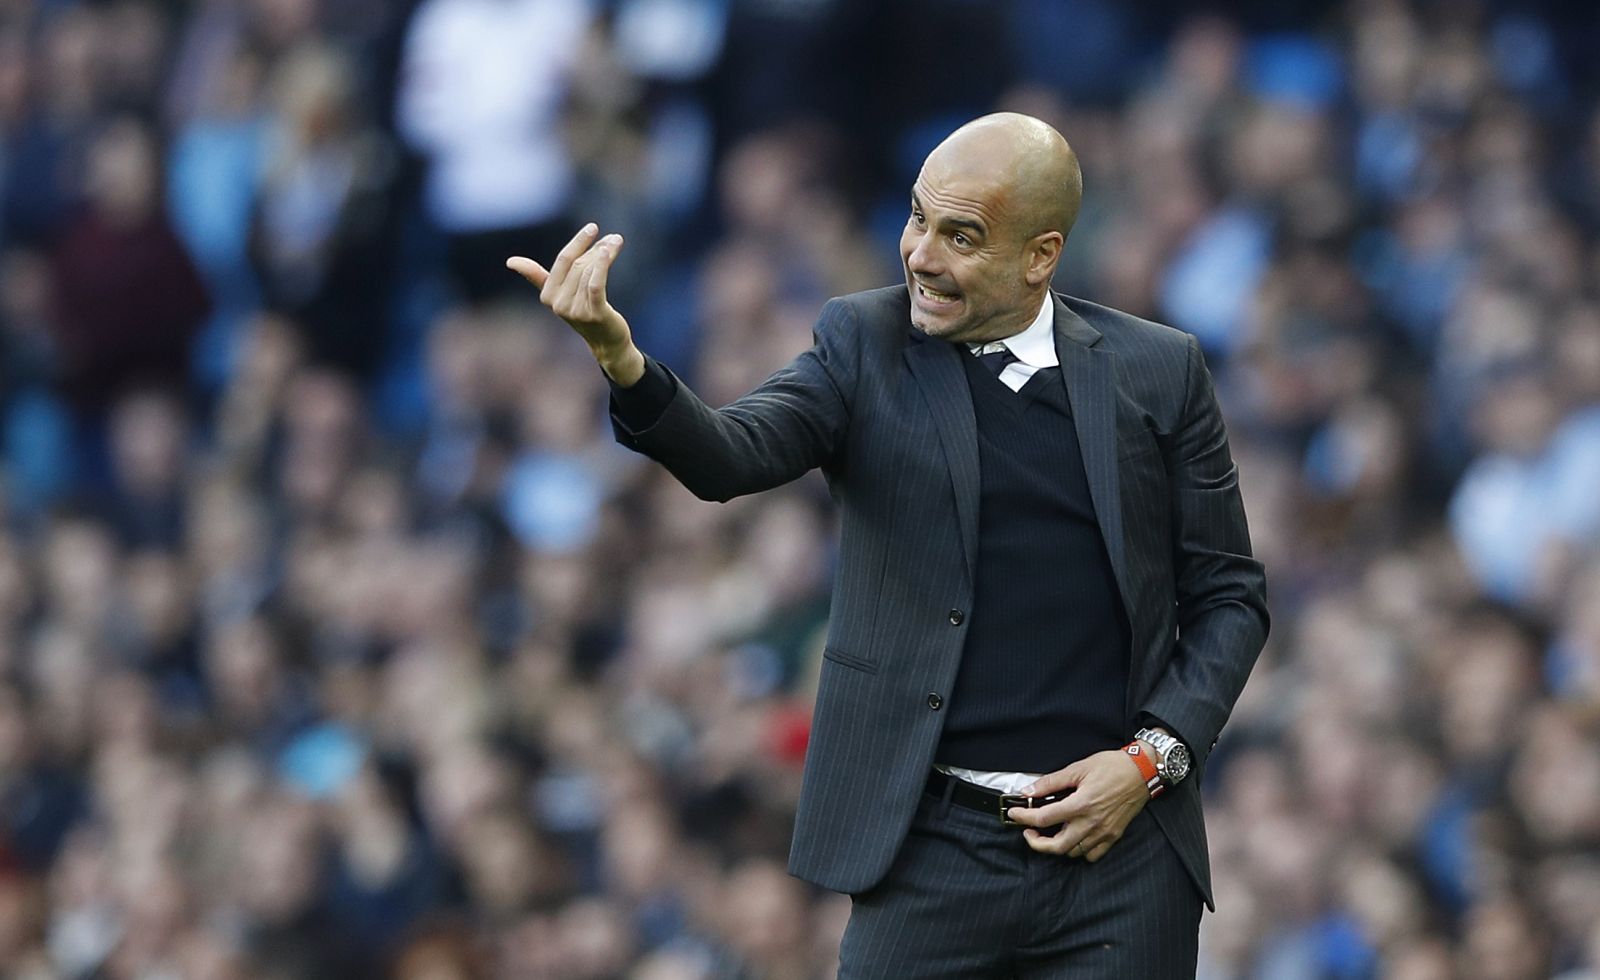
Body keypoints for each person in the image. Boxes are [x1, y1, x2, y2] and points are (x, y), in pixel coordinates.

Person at [508, 112, 1269, 978]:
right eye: (917, 218)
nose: (920, 254)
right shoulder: (863, 344)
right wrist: (622, 359)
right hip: (932, 847)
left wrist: (1149, 763)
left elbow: (1229, 598)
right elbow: (728, 456)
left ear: (1041, 255)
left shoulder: (1157, 371)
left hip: (1118, 852)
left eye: (962, 236)